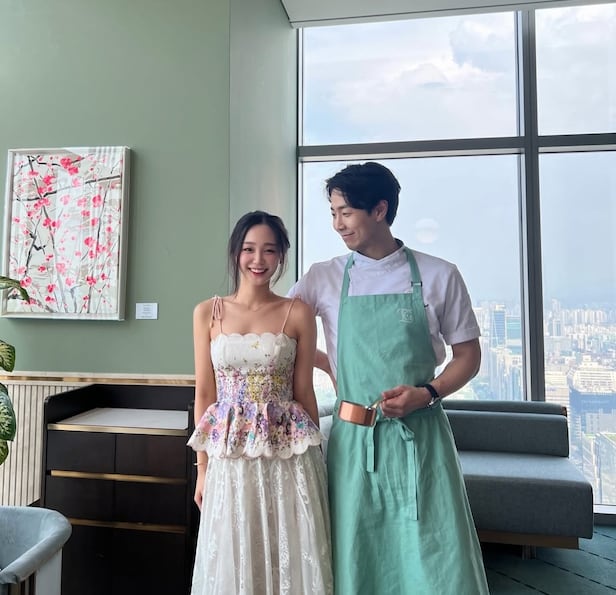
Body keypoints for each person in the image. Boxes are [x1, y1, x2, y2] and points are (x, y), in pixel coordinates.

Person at [288, 162, 490, 594]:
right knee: (356, 552)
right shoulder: (323, 276)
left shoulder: (439, 274)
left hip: (421, 438)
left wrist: (427, 392)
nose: (337, 224)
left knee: (434, 556)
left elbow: (469, 355)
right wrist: (328, 364)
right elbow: (282, 330)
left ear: (379, 210)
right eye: (333, 213)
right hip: (352, 440)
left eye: (346, 212)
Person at [187, 211, 334, 595]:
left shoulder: (297, 312)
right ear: (236, 252)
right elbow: (206, 395)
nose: (258, 259)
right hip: (230, 455)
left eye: (269, 250)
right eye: (249, 249)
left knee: (289, 547)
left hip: (288, 456)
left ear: (281, 255)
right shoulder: (207, 313)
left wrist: (318, 461)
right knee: (235, 548)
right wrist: (202, 468)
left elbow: (304, 392)